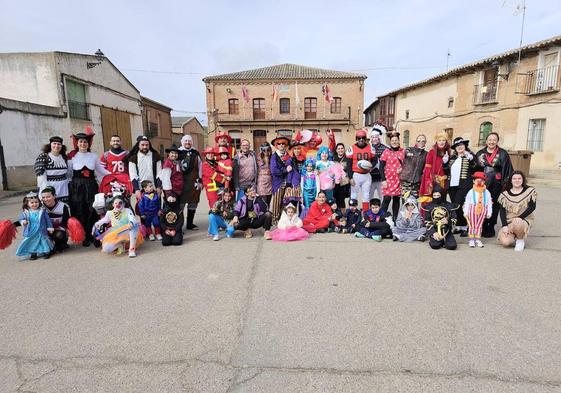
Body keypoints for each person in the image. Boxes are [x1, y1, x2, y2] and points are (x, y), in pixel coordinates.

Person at [68, 131, 110, 247]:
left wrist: (114, 176)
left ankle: (94, 234)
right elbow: (68, 174)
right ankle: (84, 236)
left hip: (91, 186)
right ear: (77, 143)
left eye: (85, 142)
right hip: (77, 187)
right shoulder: (72, 157)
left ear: (88, 143)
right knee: (80, 210)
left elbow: (101, 171)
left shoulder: (93, 156)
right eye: (80, 142)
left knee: (93, 209)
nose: (83, 144)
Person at [475, 132, 513, 237]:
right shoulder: (479, 153)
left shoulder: (503, 153)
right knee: (481, 203)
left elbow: (507, 170)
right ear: (486, 141)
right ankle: (481, 224)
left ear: (497, 141)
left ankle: (491, 226)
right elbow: (475, 168)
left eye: (494, 140)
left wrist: (505, 185)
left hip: (497, 183)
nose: (492, 142)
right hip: (482, 183)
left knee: (494, 205)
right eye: (490, 139)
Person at [497, 171, 537, 252]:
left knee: (517, 222)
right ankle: (514, 234)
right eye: (514, 179)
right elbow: (502, 211)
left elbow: (532, 207)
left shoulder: (529, 191)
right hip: (509, 221)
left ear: (523, 180)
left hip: (523, 220)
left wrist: (520, 217)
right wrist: (504, 225)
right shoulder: (505, 194)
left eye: (519, 178)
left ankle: (520, 240)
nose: (517, 180)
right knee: (506, 242)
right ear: (511, 181)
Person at [448, 137, 476, 236]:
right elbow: (447, 170)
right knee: (455, 206)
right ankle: (459, 226)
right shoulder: (452, 158)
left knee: (460, 205)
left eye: (461, 145)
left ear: (465, 146)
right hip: (452, 186)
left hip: (464, 185)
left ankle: (465, 227)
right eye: (457, 146)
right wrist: (444, 163)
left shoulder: (469, 157)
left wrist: (471, 159)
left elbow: (476, 167)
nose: (459, 147)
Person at [15, 191, 54, 260]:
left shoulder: (42, 211)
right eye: (32, 203)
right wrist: (23, 222)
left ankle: (46, 252)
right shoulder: (26, 212)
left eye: (36, 202)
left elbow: (47, 220)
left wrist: (50, 227)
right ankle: (33, 253)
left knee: (43, 241)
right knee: (32, 242)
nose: (34, 204)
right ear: (27, 204)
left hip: (41, 229)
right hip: (31, 230)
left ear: (39, 202)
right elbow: (21, 219)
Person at [34, 136, 72, 202]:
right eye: (54, 143)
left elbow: (68, 174)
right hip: (49, 186)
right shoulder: (43, 156)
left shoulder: (64, 157)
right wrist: (46, 190)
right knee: (50, 207)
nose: (56, 146)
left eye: (59, 144)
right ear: (50, 145)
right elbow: (41, 176)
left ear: (61, 146)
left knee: (63, 207)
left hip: (64, 188)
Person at [346, 129, 376, 212]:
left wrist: (370, 166)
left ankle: (365, 214)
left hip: (366, 175)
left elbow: (375, 160)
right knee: (354, 195)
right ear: (356, 139)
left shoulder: (371, 148)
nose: (361, 139)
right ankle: (352, 214)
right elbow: (349, 164)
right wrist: (350, 177)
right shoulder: (351, 148)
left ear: (366, 138)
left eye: (363, 138)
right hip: (356, 175)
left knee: (366, 195)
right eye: (359, 138)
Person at [178, 134, 203, 231]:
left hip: (194, 182)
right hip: (181, 182)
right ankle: (179, 225)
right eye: (185, 141)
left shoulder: (195, 153)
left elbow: (200, 167)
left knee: (193, 203)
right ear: (182, 142)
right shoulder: (178, 153)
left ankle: (190, 224)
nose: (187, 143)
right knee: (181, 204)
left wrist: (200, 180)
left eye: (189, 141)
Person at [270, 136, 296, 223]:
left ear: (286, 145)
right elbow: (274, 171)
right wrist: (285, 170)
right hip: (278, 183)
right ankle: (275, 219)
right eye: (279, 144)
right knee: (276, 202)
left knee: (285, 202)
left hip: (287, 183)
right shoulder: (274, 156)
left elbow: (291, 170)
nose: (281, 145)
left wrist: (289, 183)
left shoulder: (288, 156)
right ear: (276, 145)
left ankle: (283, 219)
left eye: (283, 144)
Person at [128, 136, 162, 203]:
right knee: (142, 210)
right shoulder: (133, 158)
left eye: (146, 145)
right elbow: (133, 175)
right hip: (141, 190)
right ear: (138, 145)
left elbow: (159, 173)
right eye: (142, 145)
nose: (144, 147)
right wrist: (137, 189)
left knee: (156, 210)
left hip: (154, 188)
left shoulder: (155, 156)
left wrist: (159, 187)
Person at [380, 131, 405, 222]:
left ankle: (394, 219)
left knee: (396, 199)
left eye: (396, 140)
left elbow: (406, 164)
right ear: (390, 142)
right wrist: (383, 180)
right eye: (392, 140)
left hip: (398, 179)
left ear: (399, 141)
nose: (394, 142)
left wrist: (402, 169)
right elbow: (381, 167)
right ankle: (381, 218)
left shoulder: (403, 151)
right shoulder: (386, 152)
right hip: (388, 178)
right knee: (386, 198)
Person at [423, 185, 458, 250]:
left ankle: (445, 240)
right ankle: (436, 239)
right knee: (435, 245)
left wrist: (448, 222)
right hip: (435, 229)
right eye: (434, 196)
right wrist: (433, 232)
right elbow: (427, 221)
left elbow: (454, 219)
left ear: (442, 195)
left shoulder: (449, 205)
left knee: (452, 246)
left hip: (446, 229)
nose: (436, 197)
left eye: (438, 196)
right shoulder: (429, 206)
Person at [463, 172, 493, 248]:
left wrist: (489, 212)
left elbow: (489, 203)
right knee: (472, 225)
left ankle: (477, 239)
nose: (479, 182)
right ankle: (472, 240)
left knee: (479, 225)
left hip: (483, 210)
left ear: (484, 181)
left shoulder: (487, 192)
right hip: (472, 209)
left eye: (481, 181)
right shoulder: (471, 191)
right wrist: (465, 212)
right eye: (477, 180)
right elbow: (467, 202)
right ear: (473, 181)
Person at [420, 131, 451, 200]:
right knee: (432, 200)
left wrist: (446, 162)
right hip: (433, 181)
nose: (441, 142)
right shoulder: (432, 152)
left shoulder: (448, 152)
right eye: (439, 140)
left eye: (443, 140)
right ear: (436, 141)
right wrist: (429, 180)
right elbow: (427, 169)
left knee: (442, 200)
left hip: (444, 182)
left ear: (446, 141)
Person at [40, 186, 71, 253]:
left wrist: (67, 231)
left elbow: (67, 222)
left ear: (54, 196)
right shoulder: (40, 207)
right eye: (43, 197)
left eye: (48, 196)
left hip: (59, 230)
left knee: (59, 235)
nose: (46, 199)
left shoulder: (63, 206)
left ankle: (60, 244)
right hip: (45, 230)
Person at [369, 123, 389, 200]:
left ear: (379, 138)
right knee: (369, 196)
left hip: (381, 178)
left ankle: (383, 211)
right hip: (370, 177)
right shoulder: (368, 148)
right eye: (372, 137)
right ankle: (369, 211)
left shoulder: (385, 149)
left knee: (383, 196)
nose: (374, 139)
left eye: (376, 137)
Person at [332, 143, 352, 211]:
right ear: (336, 150)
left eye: (342, 148)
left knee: (341, 199)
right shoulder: (333, 158)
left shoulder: (348, 158)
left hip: (344, 182)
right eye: (339, 149)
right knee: (334, 198)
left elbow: (350, 169)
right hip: (335, 182)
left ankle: (343, 216)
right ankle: (336, 214)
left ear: (344, 149)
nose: (340, 150)